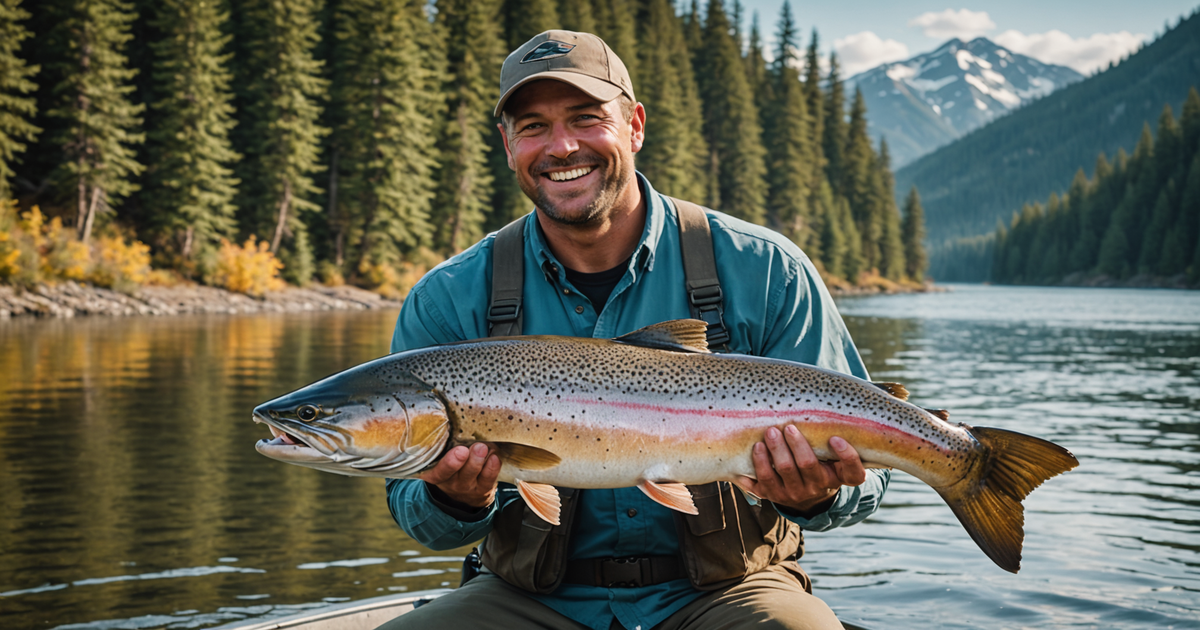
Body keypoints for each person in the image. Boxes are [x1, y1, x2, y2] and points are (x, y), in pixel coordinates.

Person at [377, 30, 888, 630]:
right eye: (533, 126)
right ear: (507, 143)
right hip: (527, 600)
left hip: (732, 594)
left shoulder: (766, 269)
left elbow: (869, 480)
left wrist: (818, 494)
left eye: (586, 119)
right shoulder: (449, 298)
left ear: (635, 125)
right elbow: (414, 513)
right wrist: (453, 497)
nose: (561, 146)